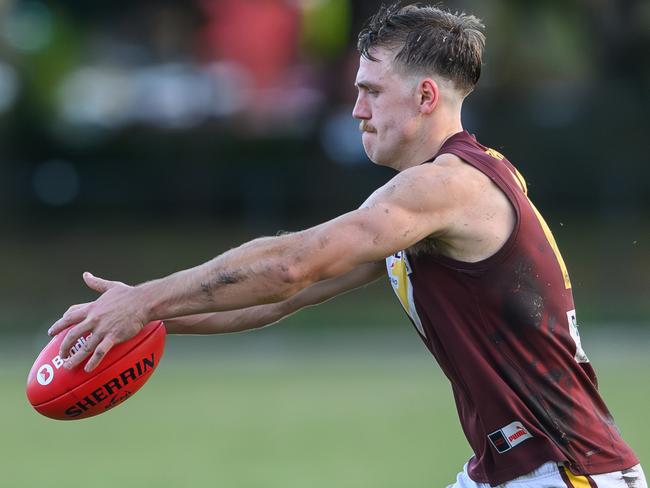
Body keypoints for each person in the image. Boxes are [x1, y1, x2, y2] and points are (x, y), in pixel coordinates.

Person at [48, 3, 645, 487]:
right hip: (516, 469)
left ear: (426, 97)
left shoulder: (447, 186)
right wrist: (140, 323)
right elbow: (280, 298)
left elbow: (288, 264)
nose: (355, 109)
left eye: (371, 91)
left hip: (564, 471)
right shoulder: (434, 201)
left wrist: (146, 300)